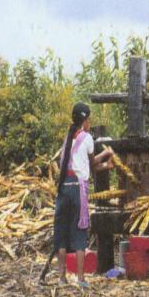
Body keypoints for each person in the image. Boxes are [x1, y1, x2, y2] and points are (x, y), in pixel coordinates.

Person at [53, 103, 114, 287]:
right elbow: (92, 163)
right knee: (80, 233)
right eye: (89, 120)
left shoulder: (68, 137)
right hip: (77, 189)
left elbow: (82, 165)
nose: (90, 123)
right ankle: (80, 279)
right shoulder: (87, 138)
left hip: (63, 188)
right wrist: (107, 153)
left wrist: (106, 165)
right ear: (85, 121)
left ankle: (62, 278)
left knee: (61, 234)